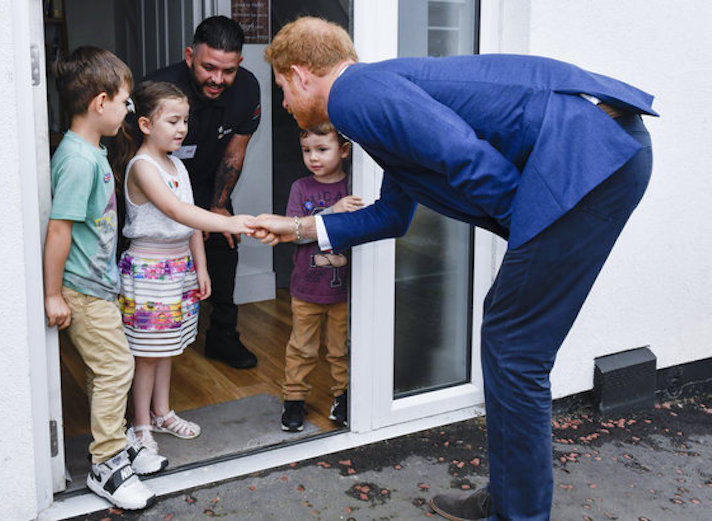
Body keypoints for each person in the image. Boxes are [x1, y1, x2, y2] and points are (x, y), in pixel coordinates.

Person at [256, 17, 657, 521]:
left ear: (299, 74)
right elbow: (393, 216)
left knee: (515, 345)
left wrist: (527, 226)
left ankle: (518, 513)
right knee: (511, 339)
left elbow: (462, 153)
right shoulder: (372, 95)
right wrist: (297, 229)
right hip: (600, 154)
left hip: (587, 161)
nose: (286, 103)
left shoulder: (354, 94)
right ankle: (511, 500)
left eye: (281, 89)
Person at [43, 47, 164, 511]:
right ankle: (107, 464)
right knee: (116, 369)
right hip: (83, 290)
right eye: (125, 101)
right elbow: (60, 228)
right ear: (100, 102)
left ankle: (115, 444)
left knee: (107, 371)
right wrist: (53, 293)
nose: (128, 110)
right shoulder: (78, 160)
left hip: (98, 287)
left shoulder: (90, 152)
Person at [110, 80, 256, 461]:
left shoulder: (177, 165)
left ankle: (162, 413)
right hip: (150, 270)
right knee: (147, 353)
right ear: (145, 124)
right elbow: (176, 211)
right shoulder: (141, 167)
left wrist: (201, 267)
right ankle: (140, 424)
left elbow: (190, 223)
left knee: (168, 348)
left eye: (185, 121)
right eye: (173, 121)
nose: (182, 129)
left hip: (178, 271)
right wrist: (230, 223)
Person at [146, 15, 261, 369]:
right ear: (189, 56)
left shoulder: (247, 88)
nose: (218, 79)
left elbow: (234, 152)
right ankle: (144, 347)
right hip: (157, 184)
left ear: (239, 64)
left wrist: (219, 208)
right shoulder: (158, 88)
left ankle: (223, 337)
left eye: (228, 71)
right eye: (209, 67)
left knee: (224, 247)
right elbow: (137, 158)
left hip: (208, 182)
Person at [280, 122, 364, 432]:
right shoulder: (301, 188)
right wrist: (332, 211)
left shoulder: (356, 186)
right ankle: (294, 398)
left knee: (341, 347)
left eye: (322, 149)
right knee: (302, 347)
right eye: (307, 151)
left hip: (345, 289)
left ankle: (343, 396)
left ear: (344, 150)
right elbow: (295, 233)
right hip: (306, 288)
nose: (313, 157)